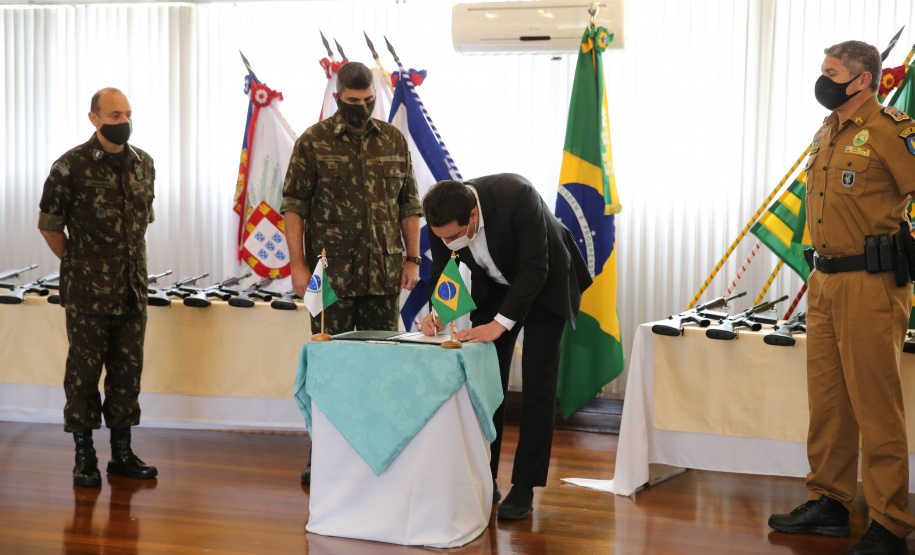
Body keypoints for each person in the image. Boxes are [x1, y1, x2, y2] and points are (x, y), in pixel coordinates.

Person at [767, 41, 915, 555]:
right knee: (828, 400)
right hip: (825, 280)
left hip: (871, 284)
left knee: (876, 403)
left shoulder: (891, 129)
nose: (822, 80)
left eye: (831, 72)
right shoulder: (828, 131)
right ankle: (829, 501)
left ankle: (890, 522)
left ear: (863, 79)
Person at [281, 61, 422, 485]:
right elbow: (294, 206)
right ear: (337, 96)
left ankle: (378, 449)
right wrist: (298, 265)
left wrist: (413, 258)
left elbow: (409, 204)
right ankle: (323, 452)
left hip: (382, 275)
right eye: (352, 100)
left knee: (381, 367)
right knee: (330, 368)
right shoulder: (313, 141)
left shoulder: (393, 140)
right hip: (330, 279)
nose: (361, 107)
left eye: (368, 100)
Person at [420, 175, 592, 520]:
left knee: (538, 387)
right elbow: (443, 269)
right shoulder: (443, 217)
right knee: (487, 383)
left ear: (473, 215)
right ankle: (486, 477)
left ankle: (524, 486)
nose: (448, 242)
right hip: (497, 287)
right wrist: (437, 313)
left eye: (453, 236)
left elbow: (535, 269)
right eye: (441, 237)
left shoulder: (517, 196)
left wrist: (499, 325)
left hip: (546, 284)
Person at [38, 87, 158, 488]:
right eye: (114, 115)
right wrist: (79, 264)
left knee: (127, 374)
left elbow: (141, 225)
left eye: (127, 114)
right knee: (84, 375)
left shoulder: (143, 164)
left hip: (132, 290)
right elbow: (50, 226)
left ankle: (121, 454)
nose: (123, 122)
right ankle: (85, 456)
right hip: (88, 293)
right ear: (94, 118)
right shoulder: (70, 166)